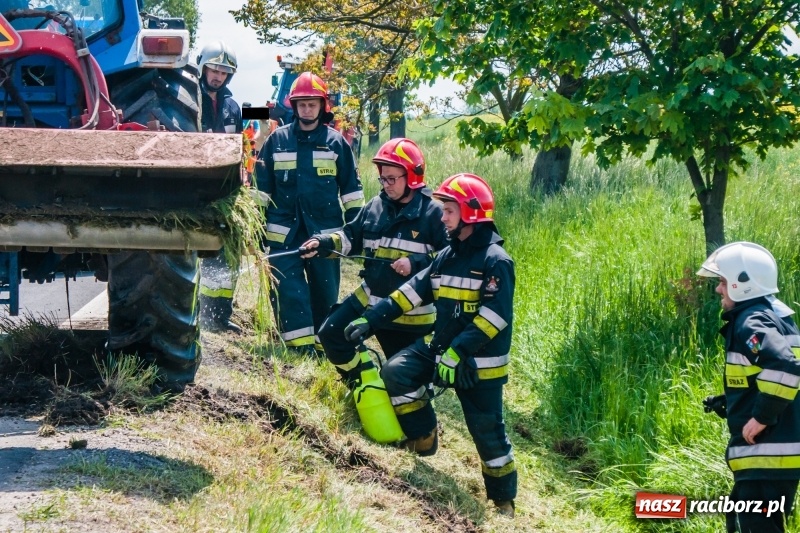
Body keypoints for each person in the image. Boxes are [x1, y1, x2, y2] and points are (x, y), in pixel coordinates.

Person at [343, 173, 517, 517]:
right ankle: (423, 437)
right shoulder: (448, 255)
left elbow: (494, 319)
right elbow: (410, 293)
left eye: (449, 211)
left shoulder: (497, 261)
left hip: (480, 364)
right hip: (441, 352)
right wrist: (370, 320)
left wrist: (457, 353)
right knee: (396, 372)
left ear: (470, 214)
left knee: (488, 434)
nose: (442, 217)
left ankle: (503, 502)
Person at [300, 138, 448, 386]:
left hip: (409, 313)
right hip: (369, 297)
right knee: (330, 334)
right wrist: (323, 242)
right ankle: (361, 382)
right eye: (383, 178)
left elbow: (452, 261)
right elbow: (350, 237)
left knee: (405, 379)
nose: (386, 185)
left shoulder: (433, 213)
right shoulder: (375, 206)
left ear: (411, 176)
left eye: (392, 179)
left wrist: (417, 262)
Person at [255, 72, 364, 355]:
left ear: (322, 106)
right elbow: (260, 191)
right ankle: (299, 350)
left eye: (311, 104)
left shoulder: (336, 143)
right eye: (301, 104)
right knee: (288, 290)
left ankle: (320, 346)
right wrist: (254, 230)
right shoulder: (275, 142)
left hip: (325, 235)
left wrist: (358, 234)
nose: (306, 109)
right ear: (293, 106)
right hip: (283, 235)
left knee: (325, 293)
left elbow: (352, 194)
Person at [698, 241, 800, 533]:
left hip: (767, 455)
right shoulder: (777, 318)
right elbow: (766, 375)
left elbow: (785, 367)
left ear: (743, 283)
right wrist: (734, 401)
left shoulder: (750, 321)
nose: (718, 289)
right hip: (778, 454)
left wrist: (761, 416)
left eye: (722, 282)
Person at [196, 40, 243, 333]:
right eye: (213, 69)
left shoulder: (232, 107)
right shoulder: (188, 99)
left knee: (224, 253)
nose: (217, 76)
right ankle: (193, 313)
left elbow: (239, 146)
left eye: (224, 72)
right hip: (192, 189)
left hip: (222, 192)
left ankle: (218, 317)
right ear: (202, 68)